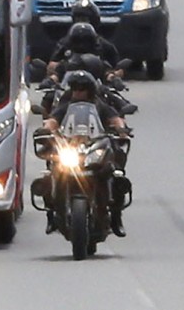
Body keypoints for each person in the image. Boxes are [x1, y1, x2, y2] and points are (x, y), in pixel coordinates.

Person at [39, 70, 131, 236]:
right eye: (74, 88)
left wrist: (121, 129)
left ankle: (116, 217)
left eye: (81, 89)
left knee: (116, 174)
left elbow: (115, 118)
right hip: (71, 146)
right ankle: (51, 215)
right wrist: (45, 130)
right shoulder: (66, 106)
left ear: (90, 90)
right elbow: (53, 120)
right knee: (50, 173)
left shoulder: (99, 105)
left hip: (94, 145)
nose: (77, 92)